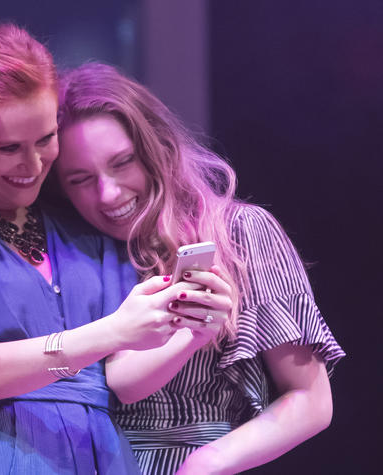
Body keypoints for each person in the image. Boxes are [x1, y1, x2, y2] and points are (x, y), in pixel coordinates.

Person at [0, 22, 226, 475]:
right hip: (0, 454)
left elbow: (122, 382)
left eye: (45, 139)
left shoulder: (81, 226)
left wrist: (192, 331)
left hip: (103, 454)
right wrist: (113, 331)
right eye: (8, 148)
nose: (33, 163)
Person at [55, 62, 345, 474]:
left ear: (158, 147)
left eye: (122, 163)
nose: (108, 193)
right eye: (80, 179)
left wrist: (205, 463)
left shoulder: (240, 231)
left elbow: (311, 400)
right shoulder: (72, 252)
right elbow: (120, 384)